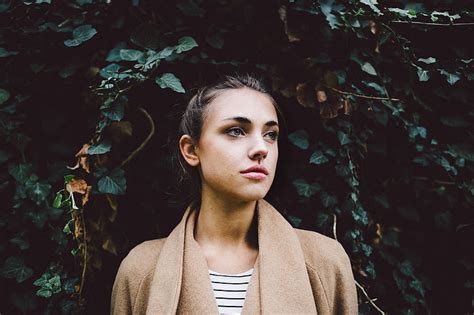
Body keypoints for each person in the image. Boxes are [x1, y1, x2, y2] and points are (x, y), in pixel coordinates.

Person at [110, 74, 358, 314]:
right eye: (236, 131)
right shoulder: (141, 271)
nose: (261, 149)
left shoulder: (325, 263)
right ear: (191, 150)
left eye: (270, 134)